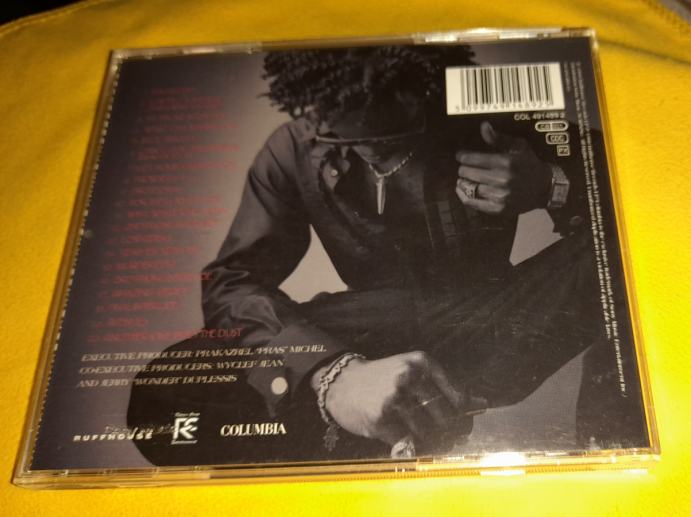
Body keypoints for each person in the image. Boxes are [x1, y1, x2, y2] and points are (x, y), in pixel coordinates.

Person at [129, 45, 639, 464]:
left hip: (496, 319)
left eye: (388, 133)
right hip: (370, 324)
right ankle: (371, 428)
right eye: (339, 134)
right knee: (165, 390)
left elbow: (641, 188)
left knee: (623, 261)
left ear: (419, 91)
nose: (370, 150)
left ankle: (608, 449)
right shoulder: (293, 146)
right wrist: (332, 374)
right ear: (312, 108)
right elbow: (232, 282)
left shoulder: (485, 113)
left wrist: (550, 184)